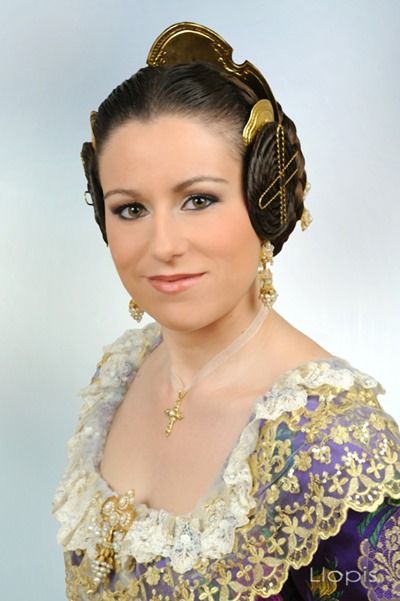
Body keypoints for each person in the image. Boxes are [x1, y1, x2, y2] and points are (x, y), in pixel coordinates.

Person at [52, 22, 400, 601]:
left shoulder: (337, 444)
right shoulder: (121, 376)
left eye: (198, 200)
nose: (163, 245)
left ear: (266, 201)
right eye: (131, 208)